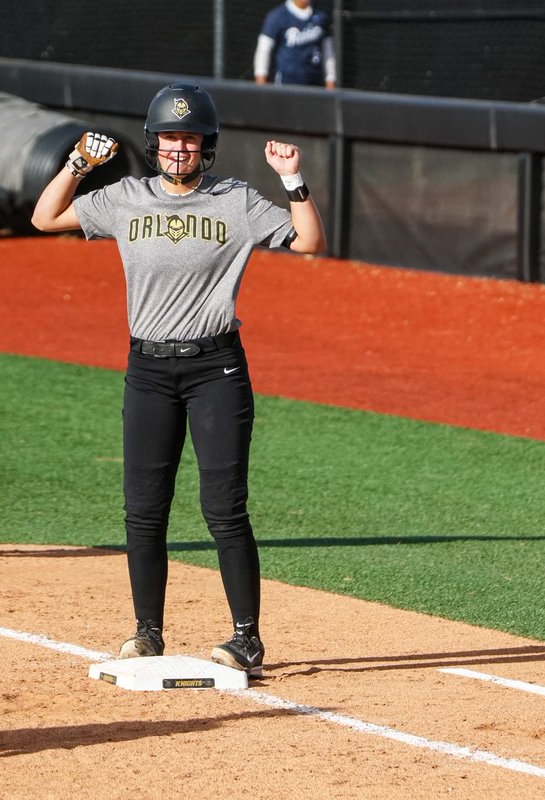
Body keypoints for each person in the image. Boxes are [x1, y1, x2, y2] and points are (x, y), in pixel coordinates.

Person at [31, 83, 325, 677]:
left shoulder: (236, 201)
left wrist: (292, 180)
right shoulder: (125, 197)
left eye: (189, 139)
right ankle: (147, 632)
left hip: (216, 369)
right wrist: (77, 164)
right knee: (143, 509)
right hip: (147, 372)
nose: (178, 149)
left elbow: (309, 242)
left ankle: (246, 639)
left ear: (206, 145)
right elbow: (45, 218)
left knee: (224, 508)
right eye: (169, 138)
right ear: (154, 143)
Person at [253, 0, 337, 89]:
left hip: (315, 83)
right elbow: (263, 50)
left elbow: (328, 51)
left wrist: (330, 80)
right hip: (286, 83)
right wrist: (260, 82)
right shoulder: (278, 16)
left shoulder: (322, 17)